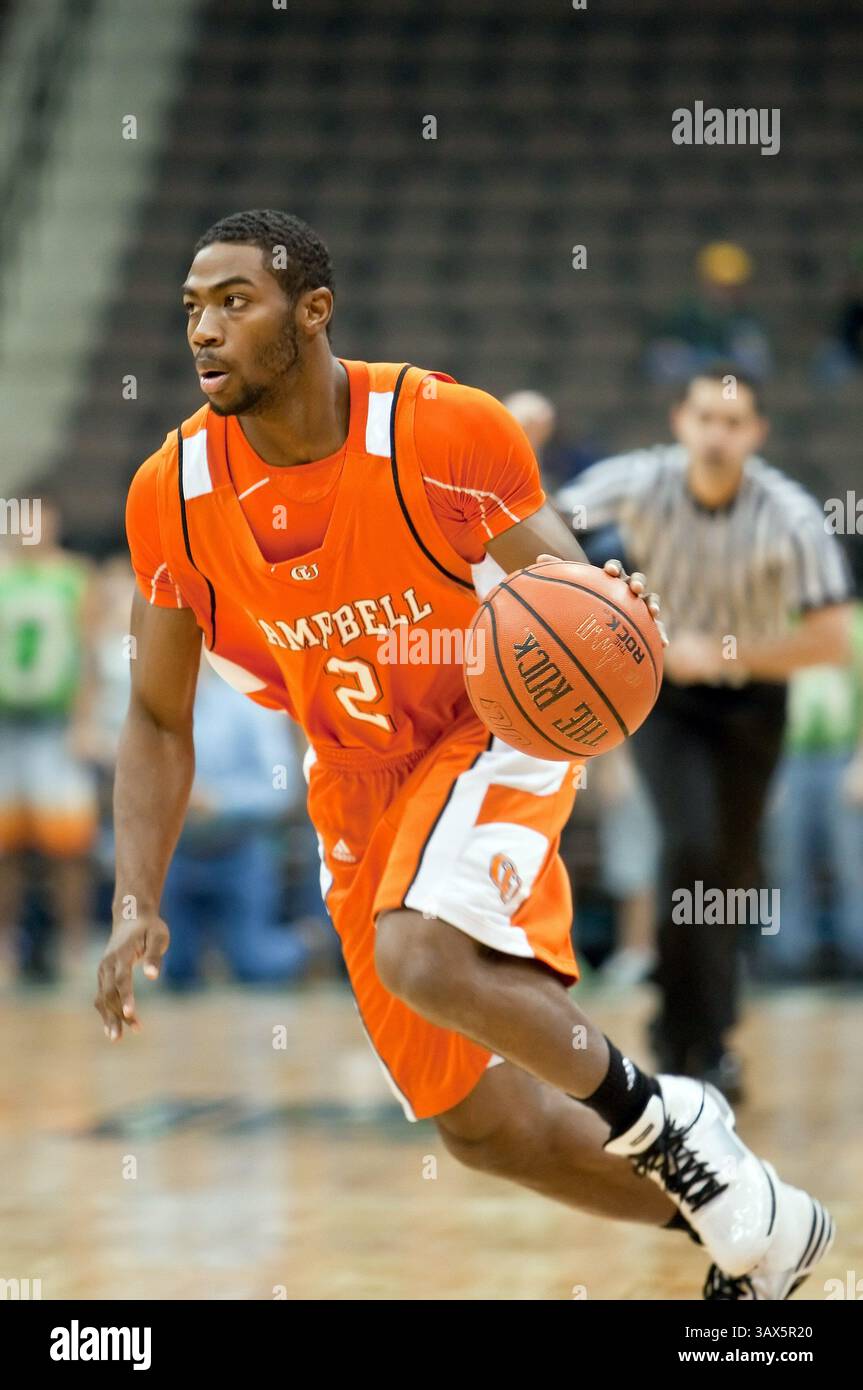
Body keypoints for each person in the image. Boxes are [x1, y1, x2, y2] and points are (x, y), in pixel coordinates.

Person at [95, 211, 833, 1300]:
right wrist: (132, 895)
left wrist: (610, 624)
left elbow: (571, 608)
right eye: (192, 307)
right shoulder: (174, 495)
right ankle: (757, 1233)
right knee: (482, 1128)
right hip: (353, 779)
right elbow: (158, 718)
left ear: (313, 311)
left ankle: (660, 1111)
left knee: (421, 954)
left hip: (494, 721)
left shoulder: (439, 431)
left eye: (234, 301)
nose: (204, 329)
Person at [556, 365, 853, 1101]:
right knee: (688, 846)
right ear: (679, 422)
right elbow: (538, 522)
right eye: (703, 419)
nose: (716, 434)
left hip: (754, 701)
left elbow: (830, 642)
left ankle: (703, 1034)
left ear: (755, 433)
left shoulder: (787, 514)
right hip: (665, 698)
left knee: (729, 873)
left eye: (732, 422)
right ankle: (688, 1037)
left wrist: (726, 652)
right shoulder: (637, 481)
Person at [0, 496, 99, 981]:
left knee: (68, 847)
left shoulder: (75, 578)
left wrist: (84, 722)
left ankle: (75, 946)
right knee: (5, 848)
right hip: (6, 724)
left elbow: (88, 656)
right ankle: (7, 948)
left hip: (55, 726)